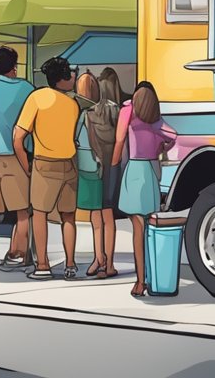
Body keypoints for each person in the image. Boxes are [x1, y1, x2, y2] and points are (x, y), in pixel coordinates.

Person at [14, 57, 81, 280]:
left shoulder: (37, 98)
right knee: (68, 217)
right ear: (61, 78)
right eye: (69, 74)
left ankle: (43, 265)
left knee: (40, 215)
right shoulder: (73, 105)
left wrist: (27, 166)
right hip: (69, 164)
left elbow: (18, 137)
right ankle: (70, 264)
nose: (72, 77)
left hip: (44, 163)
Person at [114, 81, 176, 297]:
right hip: (152, 171)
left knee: (137, 229)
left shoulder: (129, 110)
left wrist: (113, 165)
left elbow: (120, 139)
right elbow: (173, 136)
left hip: (135, 170)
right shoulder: (155, 117)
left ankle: (140, 282)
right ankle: (152, 278)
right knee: (149, 227)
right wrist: (162, 147)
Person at [0, 47, 36, 270]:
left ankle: (1, 249)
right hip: (13, 154)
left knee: (1, 208)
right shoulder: (24, 88)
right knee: (24, 209)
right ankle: (17, 253)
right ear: (15, 65)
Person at [87, 69, 124, 279]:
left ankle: (97, 258)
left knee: (95, 216)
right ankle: (109, 263)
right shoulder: (117, 111)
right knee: (108, 216)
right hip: (112, 166)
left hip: (93, 166)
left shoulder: (89, 112)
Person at [73, 71, 108, 278]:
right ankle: (100, 256)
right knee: (99, 217)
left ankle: (99, 257)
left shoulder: (82, 114)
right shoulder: (104, 112)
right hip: (100, 167)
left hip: (85, 166)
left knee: (91, 217)